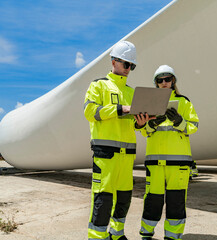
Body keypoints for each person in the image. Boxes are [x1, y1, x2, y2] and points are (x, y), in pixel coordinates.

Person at [84, 41, 152, 240]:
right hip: (105, 153)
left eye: (132, 66)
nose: (129, 69)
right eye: (127, 64)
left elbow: (132, 125)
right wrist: (122, 109)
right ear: (114, 62)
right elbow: (90, 112)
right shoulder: (99, 85)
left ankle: (116, 234)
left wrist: (140, 123)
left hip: (127, 155)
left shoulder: (132, 93)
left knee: (124, 197)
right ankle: (97, 237)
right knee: (103, 197)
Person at [136, 65, 199, 240]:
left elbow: (193, 126)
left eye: (167, 79)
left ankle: (172, 236)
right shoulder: (149, 104)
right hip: (155, 163)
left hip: (178, 164)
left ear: (173, 81)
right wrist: (152, 124)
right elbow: (144, 131)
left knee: (176, 202)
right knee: (152, 201)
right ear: (156, 83)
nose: (164, 83)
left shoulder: (184, 102)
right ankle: (146, 234)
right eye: (160, 80)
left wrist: (179, 122)